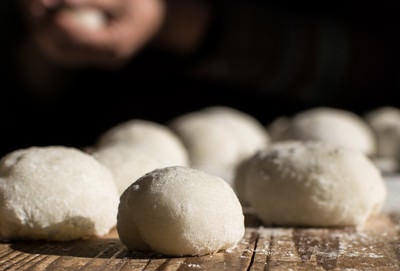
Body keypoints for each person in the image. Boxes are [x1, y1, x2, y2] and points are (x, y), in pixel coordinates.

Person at [2, 0, 400, 155]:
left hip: (298, 130)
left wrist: (174, 23)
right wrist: (44, 49)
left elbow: (373, 67)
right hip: (93, 148)